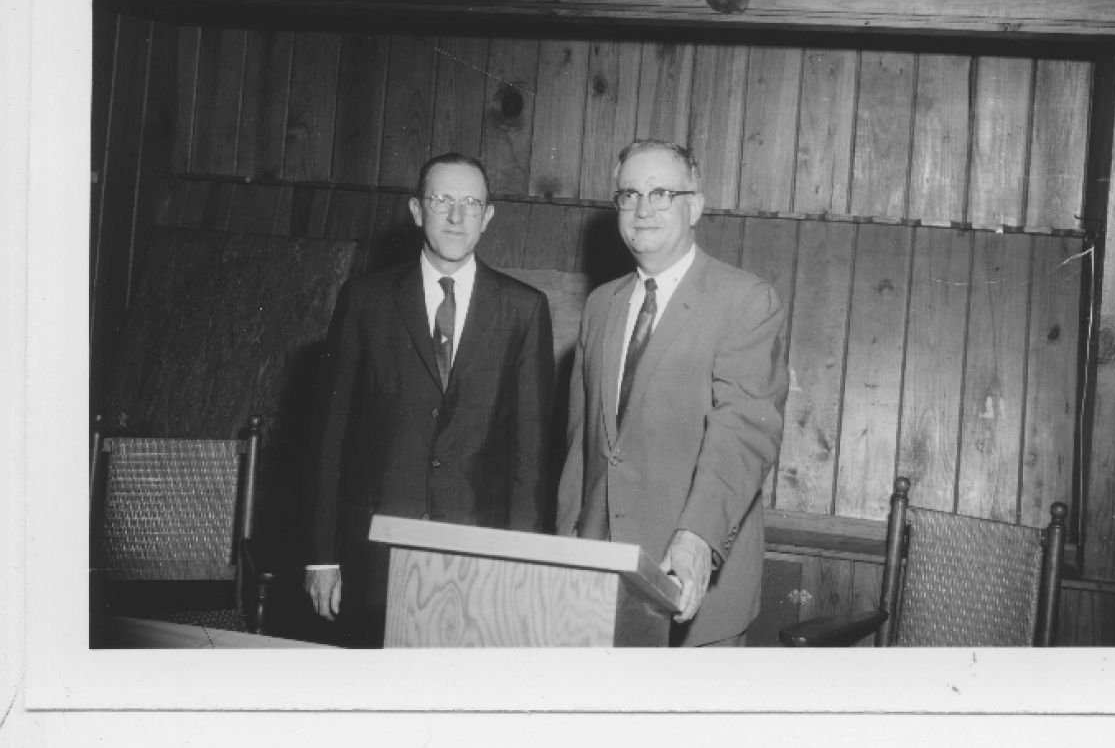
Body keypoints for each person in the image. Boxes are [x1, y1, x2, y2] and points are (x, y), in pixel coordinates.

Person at [304, 152, 556, 646]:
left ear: (488, 217)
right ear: (417, 210)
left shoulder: (524, 311)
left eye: (470, 203)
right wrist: (321, 554)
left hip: (477, 558)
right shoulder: (365, 300)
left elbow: (530, 459)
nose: (456, 216)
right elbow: (329, 437)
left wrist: (520, 568)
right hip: (373, 556)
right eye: (442, 200)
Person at [556, 140, 788, 647]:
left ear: (695, 207)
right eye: (629, 194)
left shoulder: (745, 300)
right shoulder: (601, 305)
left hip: (691, 587)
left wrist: (697, 540)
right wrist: (565, 550)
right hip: (599, 584)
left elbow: (743, 433)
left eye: (661, 193)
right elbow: (582, 444)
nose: (643, 209)